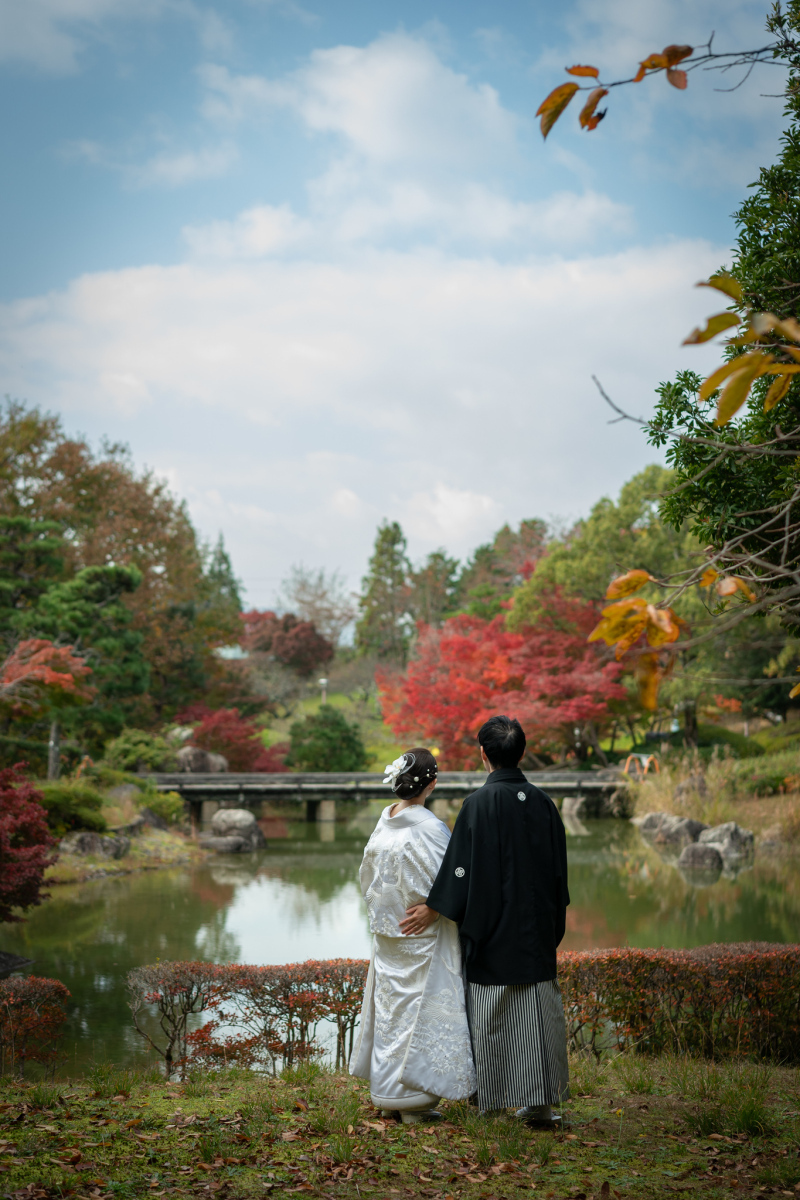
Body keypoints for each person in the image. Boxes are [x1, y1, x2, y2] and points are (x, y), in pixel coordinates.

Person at [399, 716, 570, 1126]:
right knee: (537, 1019)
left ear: (483, 754)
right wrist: (551, 919)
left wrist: (435, 906)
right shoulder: (545, 803)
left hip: (492, 931)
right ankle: (540, 1106)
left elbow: (462, 870)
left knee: (491, 1018)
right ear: (522, 753)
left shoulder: (477, 805)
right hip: (535, 931)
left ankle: (492, 1104)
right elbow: (559, 872)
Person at [349, 747, 476, 1122]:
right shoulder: (429, 827)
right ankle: (414, 1103)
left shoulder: (384, 821)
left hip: (389, 933)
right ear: (432, 783)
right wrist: (434, 907)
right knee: (417, 1015)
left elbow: (367, 877)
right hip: (422, 934)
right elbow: (454, 877)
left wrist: (383, 914)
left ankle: (388, 1096)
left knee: (392, 1014)